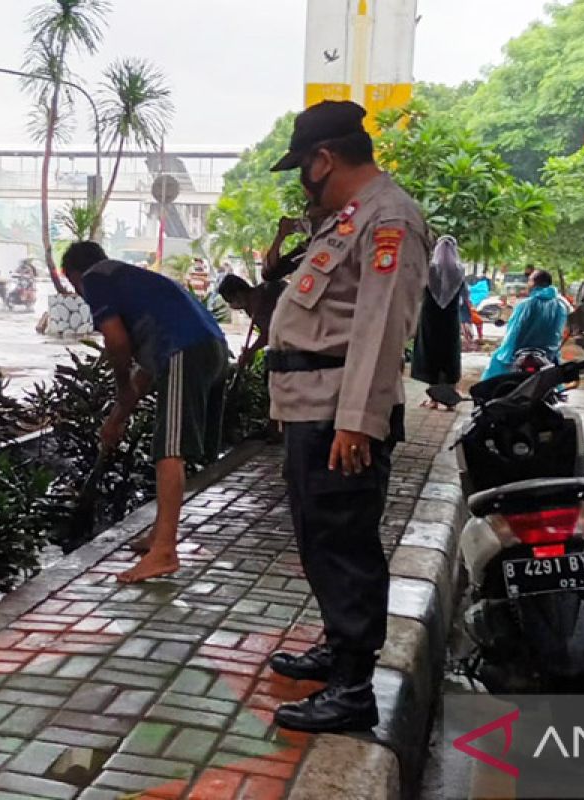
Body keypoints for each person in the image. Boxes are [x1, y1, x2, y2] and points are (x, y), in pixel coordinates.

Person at [264, 100, 429, 733]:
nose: (305, 181)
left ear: (323, 159)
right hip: (315, 408)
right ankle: (339, 650)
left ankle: (354, 689)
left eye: (304, 168)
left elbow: (380, 325)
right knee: (321, 538)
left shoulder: (386, 217)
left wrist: (358, 421)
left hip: (340, 416)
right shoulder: (349, 219)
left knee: (344, 544)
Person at [61, 241, 231, 582]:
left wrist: (120, 385)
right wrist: (117, 418)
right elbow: (146, 372)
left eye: (74, 288)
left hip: (186, 351)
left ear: (75, 276)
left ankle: (165, 551)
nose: (80, 295)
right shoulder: (132, 281)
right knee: (170, 442)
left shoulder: (96, 278)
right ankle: (158, 536)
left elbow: (117, 343)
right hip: (210, 349)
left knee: (168, 449)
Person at [483, 269, 568, 379]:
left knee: (496, 368)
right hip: (548, 355)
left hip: (522, 354)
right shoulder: (561, 306)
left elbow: (513, 333)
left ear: (533, 283)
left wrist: (505, 354)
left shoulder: (526, 305)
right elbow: (559, 333)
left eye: (529, 281)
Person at [411, 236, 464, 409]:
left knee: (430, 354)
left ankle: (433, 400)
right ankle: (451, 403)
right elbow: (465, 298)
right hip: (450, 318)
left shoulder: (429, 269)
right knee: (450, 355)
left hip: (430, 318)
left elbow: (417, 291)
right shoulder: (459, 270)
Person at [217, 273, 287, 368]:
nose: (231, 305)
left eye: (230, 300)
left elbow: (268, 333)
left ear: (238, 294)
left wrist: (250, 352)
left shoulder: (259, 302)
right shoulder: (253, 302)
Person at [262, 204, 333, 282]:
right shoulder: (306, 248)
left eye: (319, 219)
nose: (314, 225)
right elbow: (269, 273)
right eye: (310, 220)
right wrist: (281, 235)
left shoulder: (336, 243)